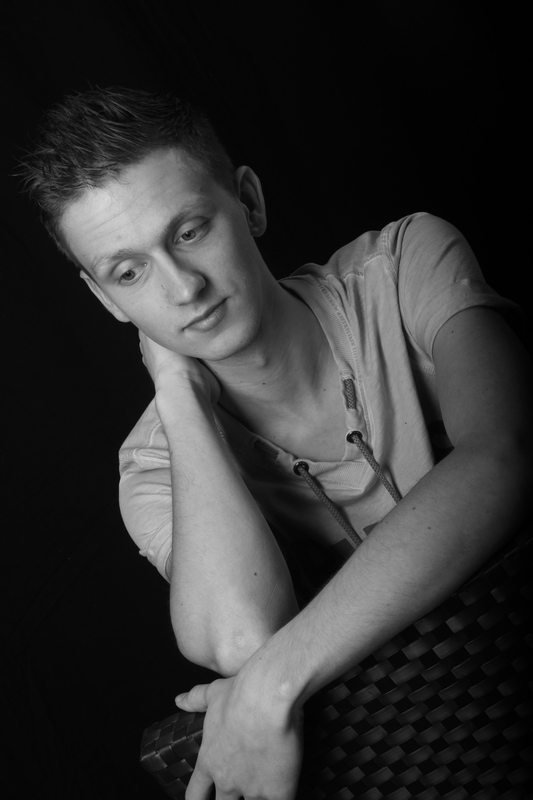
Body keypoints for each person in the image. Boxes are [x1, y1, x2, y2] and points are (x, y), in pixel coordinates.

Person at [21, 87, 532, 800]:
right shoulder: (151, 467)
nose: (184, 288)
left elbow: (503, 457)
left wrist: (273, 680)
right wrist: (178, 395)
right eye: (128, 272)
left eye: (189, 232)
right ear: (106, 299)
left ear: (249, 202)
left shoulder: (403, 263)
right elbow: (240, 639)